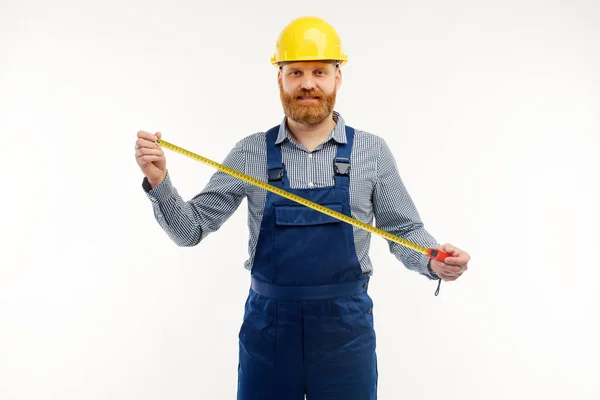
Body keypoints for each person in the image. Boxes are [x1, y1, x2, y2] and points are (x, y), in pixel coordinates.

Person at [134, 15, 470, 400]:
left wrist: (432, 259)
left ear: (337, 77)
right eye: (295, 72)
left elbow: (403, 231)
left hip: (346, 334)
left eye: (319, 71)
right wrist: (159, 182)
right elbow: (188, 230)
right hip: (269, 333)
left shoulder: (372, 153)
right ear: (279, 78)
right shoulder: (250, 152)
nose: (307, 83)